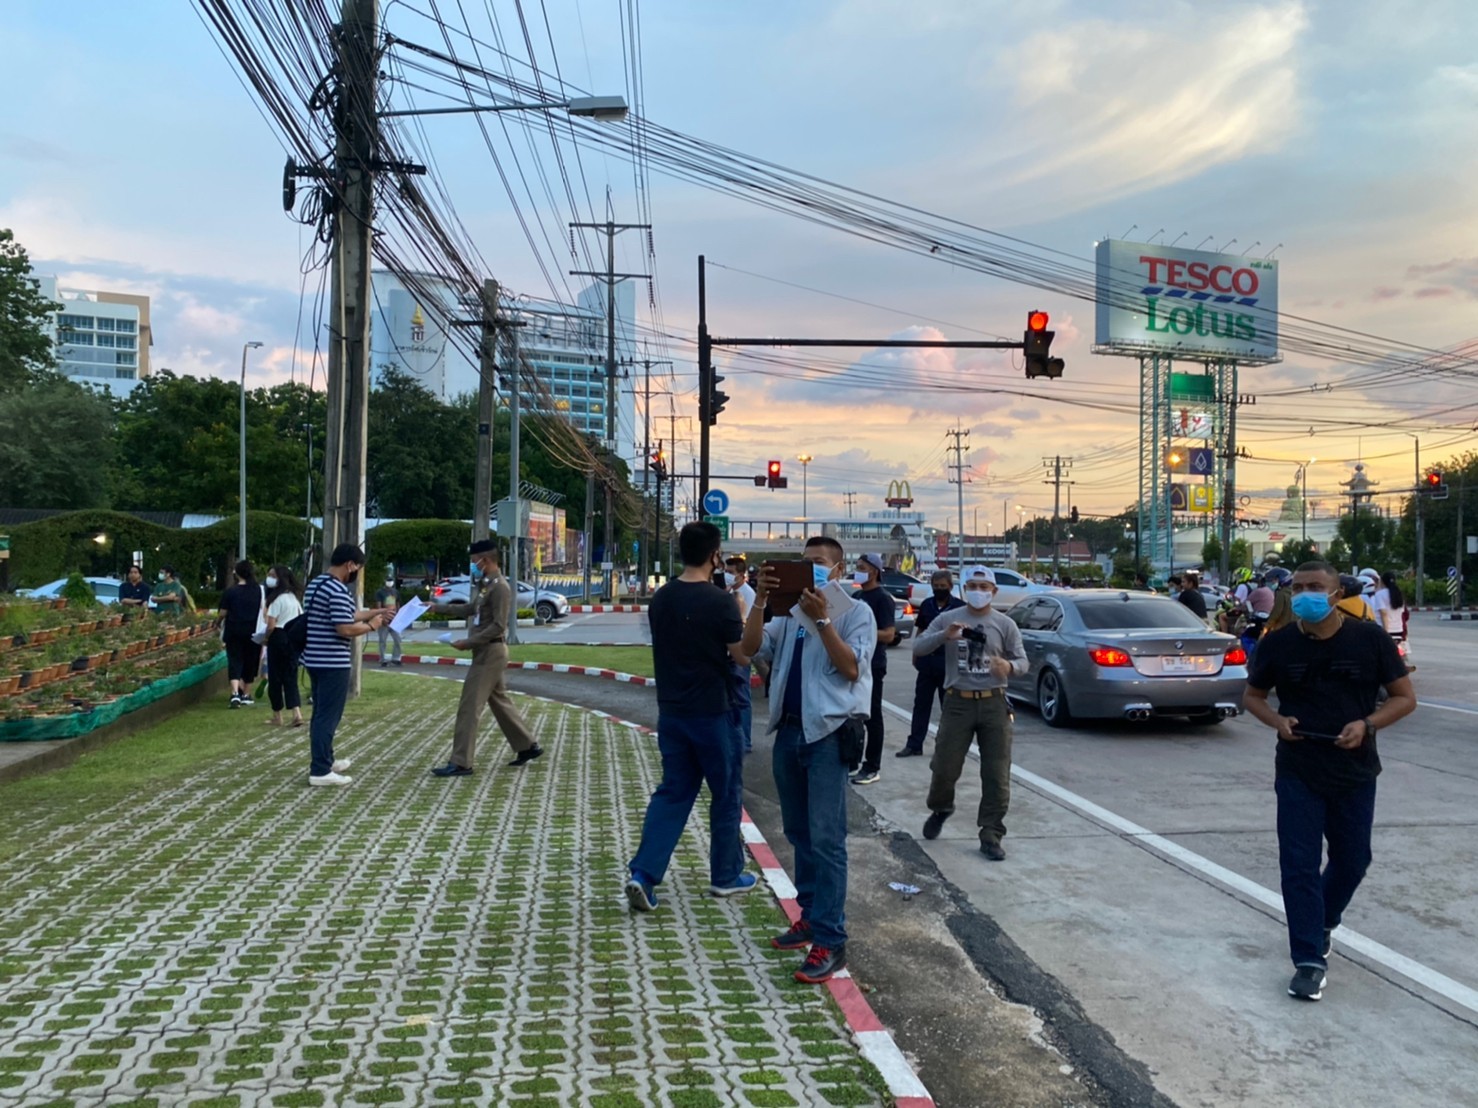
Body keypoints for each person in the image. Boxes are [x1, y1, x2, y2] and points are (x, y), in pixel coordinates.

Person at [1242, 561, 1416, 1001]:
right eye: (1298, 588)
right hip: (1299, 767)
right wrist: (1277, 721)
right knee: (1298, 864)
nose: (1305, 595)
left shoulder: (1369, 639)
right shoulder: (1278, 644)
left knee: (1353, 859)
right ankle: (1307, 959)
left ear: (1337, 593)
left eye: (1315, 587)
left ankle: (1322, 922)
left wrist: (1368, 725)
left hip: (1354, 768)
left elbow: (1404, 698)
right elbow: (1253, 697)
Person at [740, 536, 875, 984]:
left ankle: (831, 940)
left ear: (837, 571)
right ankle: (811, 916)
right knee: (798, 831)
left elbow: (851, 668)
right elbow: (750, 648)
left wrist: (823, 622)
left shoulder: (857, 614)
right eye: (804, 563)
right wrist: (760, 601)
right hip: (789, 732)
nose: (810, 570)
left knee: (827, 839)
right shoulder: (789, 614)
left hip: (829, 735)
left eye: (818, 564)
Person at [626, 523, 753, 913]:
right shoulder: (720, 602)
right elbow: (743, 655)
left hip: (673, 712)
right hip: (714, 711)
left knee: (674, 792)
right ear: (715, 555)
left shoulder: (661, 598)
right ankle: (726, 875)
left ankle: (643, 875)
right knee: (726, 792)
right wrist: (749, 613)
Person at [911, 568, 1028, 860]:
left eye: (984, 586)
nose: (979, 591)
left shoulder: (1005, 623)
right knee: (944, 767)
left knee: (996, 773)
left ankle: (991, 833)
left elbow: (1023, 660)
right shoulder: (948, 618)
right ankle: (941, 807)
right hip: (957, 701)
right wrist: (943, 636)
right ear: (964, 589)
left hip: (994, 702)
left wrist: (1009, 668)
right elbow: (919, 646)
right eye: (973, 585)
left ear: (994, 591)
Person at [431, 541, 541, 777]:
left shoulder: (500, 587)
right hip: (485, 652)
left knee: (469, 707)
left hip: (491, 653)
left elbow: (498, 626)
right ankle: (527, 745)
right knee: (499, 701)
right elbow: (472, 609)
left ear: (486, 560)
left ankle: (461, 762)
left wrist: (467, 643)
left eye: (474, 562)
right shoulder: (486, 585)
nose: (472, 566)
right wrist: (437, 608)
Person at [302, 544, 392, 786]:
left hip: (314, 658)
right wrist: (373, 626)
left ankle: (325, 759)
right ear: (350, 565)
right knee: (327, 716)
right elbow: (345, 627)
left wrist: (378, 612)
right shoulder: (338, 589)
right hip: (332, 661)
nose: (357, 573)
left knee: (321, 713)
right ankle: (320, 771)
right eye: (358, 568)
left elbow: (349, 614)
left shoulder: (317, 584)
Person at [898, 569, 963, 758]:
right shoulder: (927, 605)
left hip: (947, 662)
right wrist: (916, 652)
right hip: (927, 661)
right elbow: (921, 630)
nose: (939, 589)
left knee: (948, 707)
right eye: (936, 587)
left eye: (943, 587)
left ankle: (948, 747)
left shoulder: (959, 607)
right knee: (921, 705)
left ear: (950, 587)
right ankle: (914, 744)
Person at [849, 553, 896, 786]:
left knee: (872, 715)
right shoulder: (856, 596)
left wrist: (863, 632)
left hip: (873, 664)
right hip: (854, 663)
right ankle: (854, 762)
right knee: (854, 713)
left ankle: (872, 766)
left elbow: (889, 634)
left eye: (862, 567)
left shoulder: (882, 599)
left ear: (874, 571)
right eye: (856, 566)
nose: (857, 570)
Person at [219, 560, 265, 707]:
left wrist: (217, 622)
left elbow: (223, 612)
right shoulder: (259, 590)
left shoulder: (230, 591)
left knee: (234, 660)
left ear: (237, 573)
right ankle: (246, 693)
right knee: (251, 662)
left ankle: (234, 693)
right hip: (254, 632)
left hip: (234, 631)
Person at [263, 565, 305, 727]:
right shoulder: (293, 598)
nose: (269, 578)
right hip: (292, 639)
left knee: (275, 678)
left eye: (272, 575)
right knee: (290, 676)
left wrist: (265, 638)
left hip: (278, 637)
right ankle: (296, 713)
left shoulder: (276, 600)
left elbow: (271, 625)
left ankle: (277, 715)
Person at [724, 555, 757, 754]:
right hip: (727, 649)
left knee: (742, 697)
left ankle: (745, 741)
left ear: (741, 575)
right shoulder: (727, 593)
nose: (727, 576)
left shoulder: (748, 594)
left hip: (741, 647)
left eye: (730, 573)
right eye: (725, 572)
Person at [373, 577, 403, 667]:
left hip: (394, 619)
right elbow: (378, 606)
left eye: (391, 581)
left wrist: (398, 616)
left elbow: (397, 604)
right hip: (385, 619)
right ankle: (383, 659)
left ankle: (396, 658)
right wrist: (382, 618)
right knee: (382, 641)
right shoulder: (380, 592)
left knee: (398, 639)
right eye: (388, 581)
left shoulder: (395, 592)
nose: (389, 583)